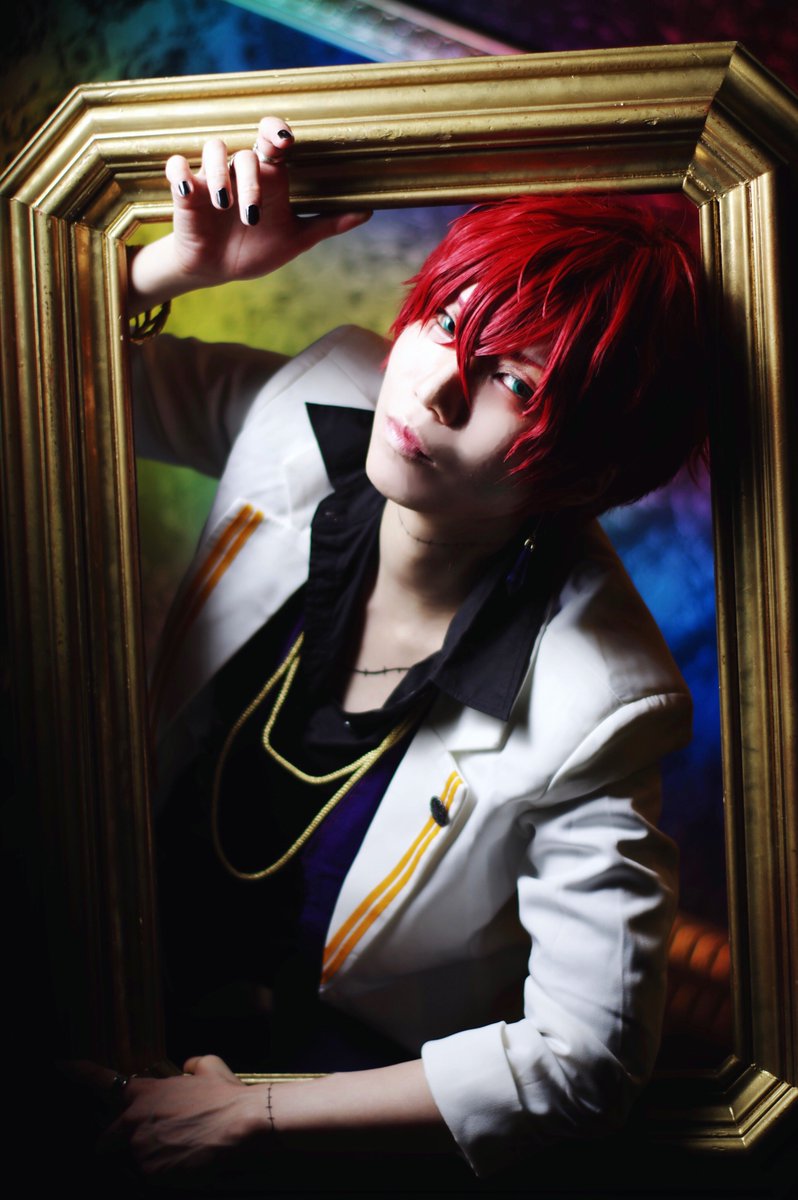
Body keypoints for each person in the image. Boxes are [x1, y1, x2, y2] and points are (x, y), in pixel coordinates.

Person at [104, 115, 706, 1181]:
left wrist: (253, 1116)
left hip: (322, 1107)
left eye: (514, 383)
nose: (433, 387)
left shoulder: (601, 699)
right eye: (447, 320)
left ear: (592, 471)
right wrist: (169, 270)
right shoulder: (319, 398)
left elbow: (588, 1061)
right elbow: (42, 375)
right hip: (104, 967)